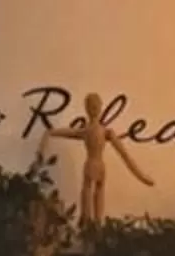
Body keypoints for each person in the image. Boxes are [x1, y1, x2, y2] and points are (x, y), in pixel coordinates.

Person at [42, 90, 153, 238]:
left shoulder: (100, 132)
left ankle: (94, 228)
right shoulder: (91, 131)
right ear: (88, 108)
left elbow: (124, 155)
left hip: (95, 165)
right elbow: (124, 155)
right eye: (91, 106)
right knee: (91, 194)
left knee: (94, 193)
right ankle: (91, 227)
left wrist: (141, 176)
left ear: (99, 107)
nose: (93, 108)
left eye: (95, 105)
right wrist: (49, 134)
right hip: (96, 165)